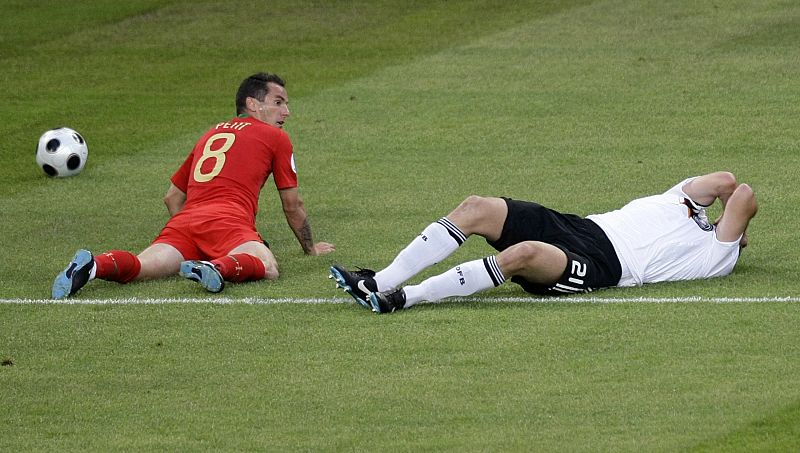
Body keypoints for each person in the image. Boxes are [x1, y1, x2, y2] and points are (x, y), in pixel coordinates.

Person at [52, 72, 335, 299]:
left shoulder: (210, 133)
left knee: (141, 267)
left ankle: (94, 266)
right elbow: (292, 205)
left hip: (185, 222)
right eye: (278, 102)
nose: (286, 111)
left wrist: (194, 235)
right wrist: (310, 248)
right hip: (227, 220)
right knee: (268, 266)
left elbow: (172, 197)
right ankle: (216, 266)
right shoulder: (276, 138)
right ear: (252, 104)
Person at [330, 171, 757, 313]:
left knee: (523, 254)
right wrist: (718, 216)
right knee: (476, 207)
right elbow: (725, 180)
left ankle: (405, 298)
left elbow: (743, 195)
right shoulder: (681, 199)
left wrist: (735, 235)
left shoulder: (717, 255)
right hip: (581, 227)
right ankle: (378, 280)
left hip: (606, 267)